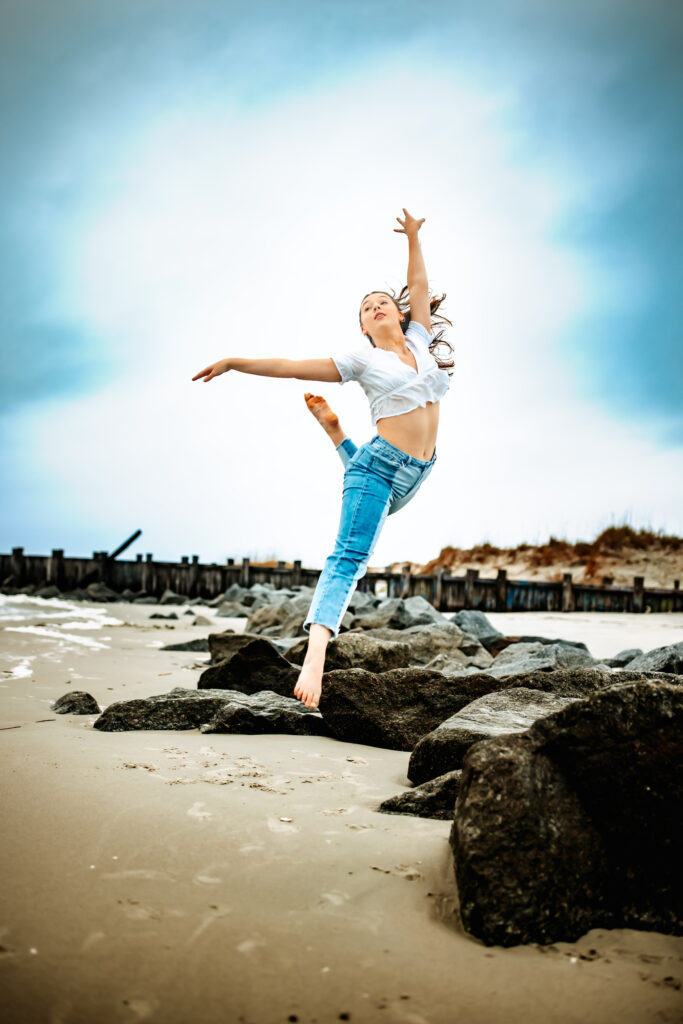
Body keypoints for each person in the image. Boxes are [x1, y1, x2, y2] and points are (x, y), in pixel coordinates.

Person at [192, 208, 454, 711]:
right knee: (348, 559)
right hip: (378, 470)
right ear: (361, 326)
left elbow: (417, 283)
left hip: (419, 473)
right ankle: (315, 657)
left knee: (359, 516)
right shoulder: (361, 361)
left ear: (399, 314)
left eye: (383, 302)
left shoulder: (419, 341)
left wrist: (414, 237)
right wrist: (233, 363)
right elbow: (291, 367)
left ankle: (336, 435)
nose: (377, 306)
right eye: (366, 307)